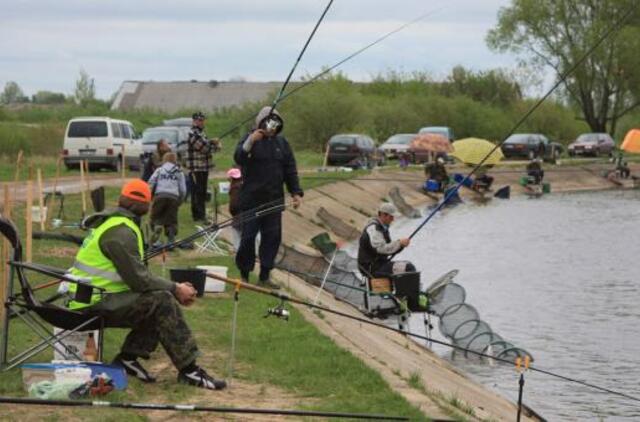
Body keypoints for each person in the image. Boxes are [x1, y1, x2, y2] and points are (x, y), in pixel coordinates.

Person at [66, 179, 226, 390]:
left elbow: (138, 277)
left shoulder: (115, 223)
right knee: (162, 301)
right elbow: (139, 281)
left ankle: (128, 359)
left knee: (156, 297)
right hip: (91, 303)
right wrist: (175, 288)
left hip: (91, 296)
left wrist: (169, 285)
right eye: (147, 202)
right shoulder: (121, 232)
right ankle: (189, 370)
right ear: (142, 205)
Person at [234, 106, 303, 288]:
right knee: (248, 238)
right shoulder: (250, 139)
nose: (272, 127)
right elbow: (239, 157)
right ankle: (244, 275)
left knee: (272, 238)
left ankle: (265, 276)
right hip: (251, 200)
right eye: (270, 123)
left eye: (276, 124)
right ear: (261, 123)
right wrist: (251, 141)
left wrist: (295, 192)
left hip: (274, 201)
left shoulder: (282, 143)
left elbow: (290, 169)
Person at [357, 203, 427, 310]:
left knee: (407, 266)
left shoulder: (382, 227)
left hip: (379, 264)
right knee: (408, 268)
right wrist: (399, 243)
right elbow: (381, 249)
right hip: (371, 268)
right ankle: (411, 304)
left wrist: (401, 245)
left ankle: (406, 300)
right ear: (383, 215)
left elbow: (387, 251)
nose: (393, 219)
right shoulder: (374, 229)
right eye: (391, 217)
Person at [186, 111, 220, 222]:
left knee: (201, 192)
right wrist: (215, 145)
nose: (201, 122)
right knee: (198, 192)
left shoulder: (201, 133)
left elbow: (206, 144)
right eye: (199, 120)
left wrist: (213, 143)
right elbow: (205, 148)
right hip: (196, 168)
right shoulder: (193, 134)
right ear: (194, 121)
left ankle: (200, 215)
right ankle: (199, 216)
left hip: (203, 168)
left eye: (202, 120)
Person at [148, 152, 187, 248]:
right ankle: (171, 240)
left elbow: (151, 182)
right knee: (171, 219)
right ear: (175, 160)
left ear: (164, 160)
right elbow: (183, 189)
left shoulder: (160, 170)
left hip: (160, 195)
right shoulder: (179, 172)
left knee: (156, 216)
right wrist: (180, 200)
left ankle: (156, 234)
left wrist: (149, 195)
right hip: (173, 197)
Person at [227, 167, 243, 251]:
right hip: (249, 215)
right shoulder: (244, 185)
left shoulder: (235, 189)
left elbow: (233, 205)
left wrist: (233, 213)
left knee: (237, 233)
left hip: (239, 217)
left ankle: (237, 253)